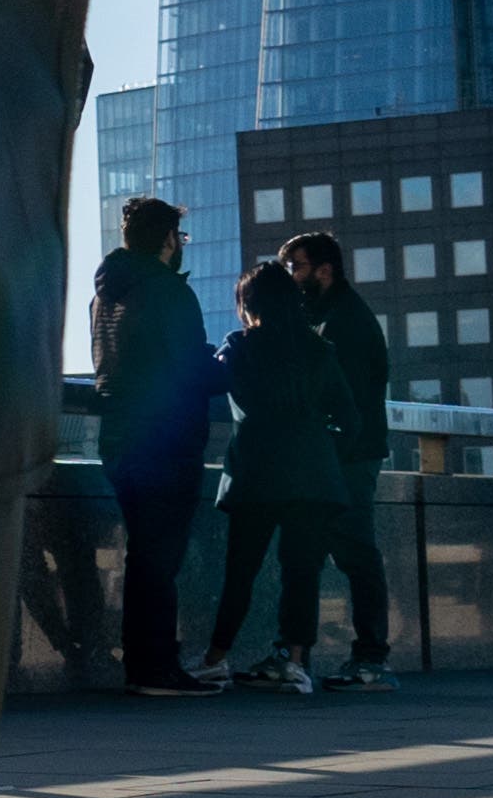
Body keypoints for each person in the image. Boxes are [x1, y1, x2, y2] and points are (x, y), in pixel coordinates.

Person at [206, 227, 398, 692]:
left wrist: (319, 451)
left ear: (325, 270)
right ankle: (295, 659)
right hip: (322, 466)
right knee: (305, 564)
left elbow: (340, 405)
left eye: (298, 266)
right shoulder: (319, 329)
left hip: (339, 463)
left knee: (350, 555)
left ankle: (369, 659)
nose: (292, 276)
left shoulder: (343, 325)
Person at [90, 195, 218, 693]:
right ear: (167, 239)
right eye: (179, 238)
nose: (180, 246)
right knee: (159, 560)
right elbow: (193, 370)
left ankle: (143, 666)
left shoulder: (106, 294)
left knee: (143, 555)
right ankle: (156, 667)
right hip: (166, 440)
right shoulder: (168, 291)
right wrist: (229, 365)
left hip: (119, 437)